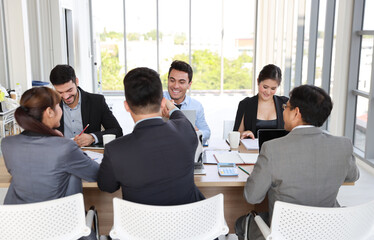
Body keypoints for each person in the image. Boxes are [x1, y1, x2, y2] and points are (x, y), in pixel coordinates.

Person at [235, 85, 360, 240]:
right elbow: (352, 176)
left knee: (240, 223)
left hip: (284, 233)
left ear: (296, 112)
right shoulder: (343, 145)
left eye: (286, 107)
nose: (283, 111)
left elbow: (252, 197)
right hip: (328, 230)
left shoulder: (272, 149)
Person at [98, 67, 204, 205]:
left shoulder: (115, 150)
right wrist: (170, 107)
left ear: (126, 106)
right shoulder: (185, 130)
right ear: (162, 102)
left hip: (142, 226)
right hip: (189, 224)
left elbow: (107, 186)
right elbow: (180, 117)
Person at [1, 87, 99, 204]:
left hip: (17, 219)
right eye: (59, 105)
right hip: (57, 219)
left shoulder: (8, 144)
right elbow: (96, 173)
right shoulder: (65, 147)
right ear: (49, 112)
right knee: (73, 175)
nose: (61, 109)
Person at [49, 64, 123, 147]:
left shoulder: (96, 101)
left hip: (89, 154)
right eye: (60, 92)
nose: (66, 97)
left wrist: (92, 137)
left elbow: (117, 131)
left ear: (76, 82)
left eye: (69, 90)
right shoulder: (51, 105)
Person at [233, 64, 288, 139]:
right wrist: (244, 134)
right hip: (252, 150)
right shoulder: (246, 104)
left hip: (278, 150)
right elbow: (236, 135)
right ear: (258, 81)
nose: (268, 92)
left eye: (273, 88)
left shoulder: (285, 103)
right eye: (265, 87)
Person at [163, 60, 211, 145]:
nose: (175, 86)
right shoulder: (156, 101)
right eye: (172, 80)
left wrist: (196, 132)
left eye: (181, 82)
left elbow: (206, 132)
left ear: (189, 85)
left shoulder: (196, 105)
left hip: (187, 150)